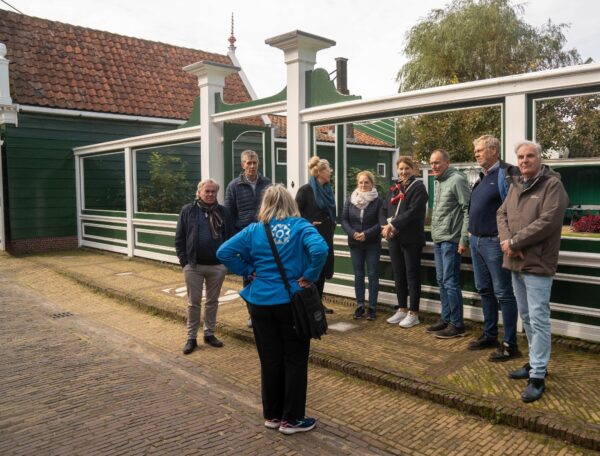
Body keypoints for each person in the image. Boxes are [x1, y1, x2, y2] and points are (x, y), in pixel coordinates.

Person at [217, 185, 328, 434]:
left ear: (265, 204)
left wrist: (248, 271)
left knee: (270, 360)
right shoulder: (300, 226)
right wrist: (310, 276)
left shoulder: (254, 229)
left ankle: (273, 416)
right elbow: (320, 249)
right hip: (290, 303)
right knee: (295, 360)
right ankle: (292, 419)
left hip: (259, 303)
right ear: (290, 203)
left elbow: (223, 252)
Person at [497, 141, 568, 403]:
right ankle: (535, 362)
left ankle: (538, 376)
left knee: (539, 319)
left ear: (539, 158)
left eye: (529, 156)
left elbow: (548, 222)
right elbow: (501, 214)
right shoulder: (515, 184)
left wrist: (515, 243)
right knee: (526, 317)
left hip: (537, 263)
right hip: (514, 261)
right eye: (520, 157)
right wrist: (507, 242)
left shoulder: (552, 185)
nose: (524, 160)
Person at [467, 135, 521, 361]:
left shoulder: (506, 174)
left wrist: (507, 238)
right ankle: (490, 335)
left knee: (504, 293)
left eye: (480, 150)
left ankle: (510, 344)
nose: (476, 153)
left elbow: (516, 209)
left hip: (494, 243)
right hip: (476, 241)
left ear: (494, 151)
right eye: (476, 150)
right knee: (484, 289)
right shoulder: (482, 177)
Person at [174, 179, 233, 355]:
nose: (210, 194)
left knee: (212, 302)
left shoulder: (223, 212)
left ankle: (209, 333)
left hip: (217, 266)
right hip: (194, 265)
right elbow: (179, 238)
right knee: (193, 303)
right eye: (207, 191)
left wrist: (226, 263)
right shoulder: (188, 210)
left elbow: (231, 237)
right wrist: (184, 263)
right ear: (199, 192)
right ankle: (191, 337)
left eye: (213, 192)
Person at [224, 149, 272, 327]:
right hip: (245, 238)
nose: (252, 166)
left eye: (255, 163)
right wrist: (235, 240)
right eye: (248, 163)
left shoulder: (267, 183)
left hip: (265, 236)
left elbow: (273, 206)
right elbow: (229, 215)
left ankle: (267, 310)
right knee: (249, 275)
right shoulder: (233, 186)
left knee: (267, 272)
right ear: (242, 165)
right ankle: (252, 314)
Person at [427, 149, 471, 339]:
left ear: (447, 162)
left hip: (451, 240)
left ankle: (457, 324)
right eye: (431, 163)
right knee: (441, 280)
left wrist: (464, 239)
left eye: (437, 162)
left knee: (450, 282)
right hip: (438, 239)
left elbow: (468, 210)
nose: (433, 166)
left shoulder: (457, 180)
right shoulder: (439, 181)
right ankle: (446, 318)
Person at [383, 156, 428, 328]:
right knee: (398, 274)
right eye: (401, 169)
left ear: (413, 169)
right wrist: (384, 225)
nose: (403, 172)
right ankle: (402, 308)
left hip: (411, 239)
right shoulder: (394, 187)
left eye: (407, 168)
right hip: (394, 238)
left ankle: (414, 313)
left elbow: (413, 212)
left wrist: (393, 224)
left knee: (412, 275)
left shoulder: (419, 188)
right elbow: (384, 208)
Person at [341, 170, 386, 320]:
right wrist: (352, 233)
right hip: (355, 243)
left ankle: (372, 307)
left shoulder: (378, 201)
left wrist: (366, 234)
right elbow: (344, 220)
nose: (363, 185)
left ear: (372, 183)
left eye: (366, 182)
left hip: (372, 243)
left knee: (373, 274)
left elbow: (380, 223)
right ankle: (360, 305)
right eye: (361, 182)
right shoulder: (350, 199)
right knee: (358, 274)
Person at [295, 156, 336, 314]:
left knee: (323, 268)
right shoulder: (305, 190)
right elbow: (295, 213)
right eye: (328, 169)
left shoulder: (328, 190)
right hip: (310, 236)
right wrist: (308, 223)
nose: (330, 172)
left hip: (326, 235)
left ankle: (318, 302)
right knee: (311, 268)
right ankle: (308, 304)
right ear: (319, 172)